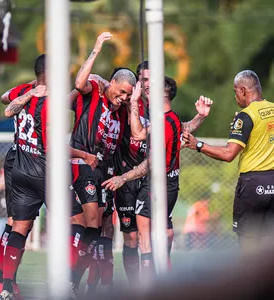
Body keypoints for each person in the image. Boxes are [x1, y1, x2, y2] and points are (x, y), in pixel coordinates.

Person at [93, 61, 213, 287]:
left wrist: (199, 117)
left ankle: (158, 281)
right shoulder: (126, 101)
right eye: (142, 79)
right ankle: (137, 285)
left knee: (163, 236)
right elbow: (104, 90)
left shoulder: (159, 108)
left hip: (151, 177)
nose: (145, 84)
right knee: (132, 236)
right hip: (128, 176)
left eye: (149, 80)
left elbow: (176, 128)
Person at [69, 32, 136, 297]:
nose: (122, 97)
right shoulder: (95, 89)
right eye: (121, 92)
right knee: (92, 224)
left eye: (127, 95)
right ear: (113, 83)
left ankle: (77, 280)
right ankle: (71, 278)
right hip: (83, 163)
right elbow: (79, 81)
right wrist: (96, 49)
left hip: (104, 171)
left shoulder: (122, 108)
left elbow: (137, 133)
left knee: (97, 230)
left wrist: (132, 104)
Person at [183, 70, 274, 251]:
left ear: (242, 90)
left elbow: (228, 154)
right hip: (272, 183)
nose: (235, 97)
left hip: (252, 186)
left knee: (248, 247)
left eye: (235, 92)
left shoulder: (246, 115)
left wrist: (198, 144)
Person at [0, 56, 47, 297]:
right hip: (26, 161)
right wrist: (29, 95)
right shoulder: (31, 92)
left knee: (18, 222)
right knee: (17, 222)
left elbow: (5, 95)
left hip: (20, 159)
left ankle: (3, 280)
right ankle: (3, 279)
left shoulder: (27, 87)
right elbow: (6, 105)